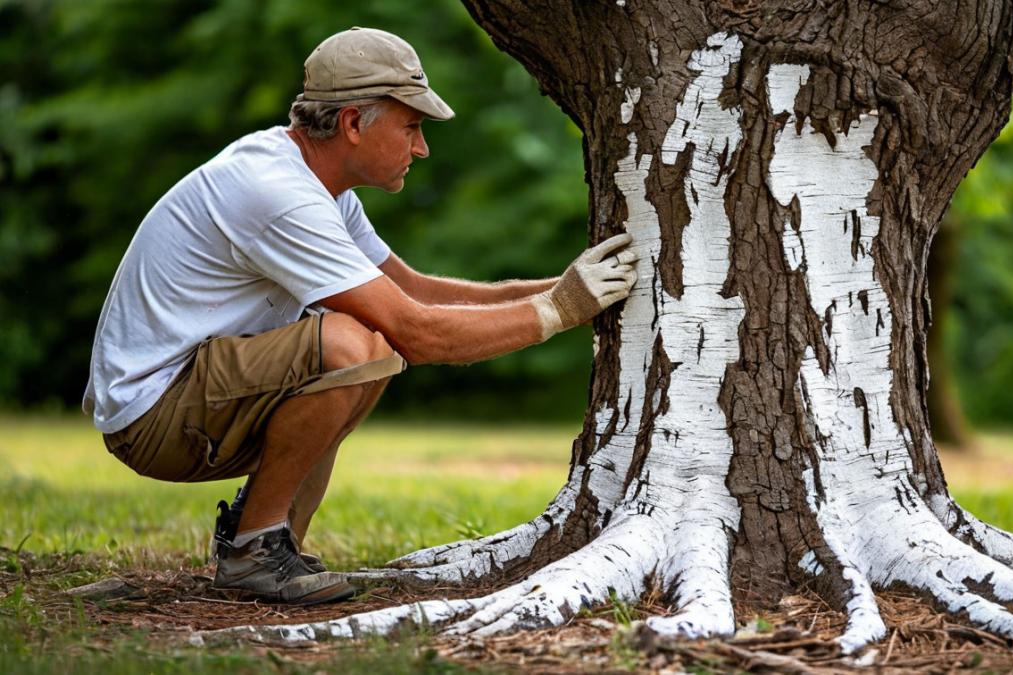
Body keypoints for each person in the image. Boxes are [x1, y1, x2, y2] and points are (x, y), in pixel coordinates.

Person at [82, 27, 638, 606]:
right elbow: (417, 330)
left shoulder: (321, 186)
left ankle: (271, 546)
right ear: (352, 123)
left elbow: (416, 290)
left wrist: (567, 283)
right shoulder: (279, 194)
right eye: (411, 127)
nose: (420, 148)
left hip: (194, 397)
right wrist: (562, 309)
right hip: (154, 416)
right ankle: (253, 552)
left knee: (362, 341)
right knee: (356, 345)